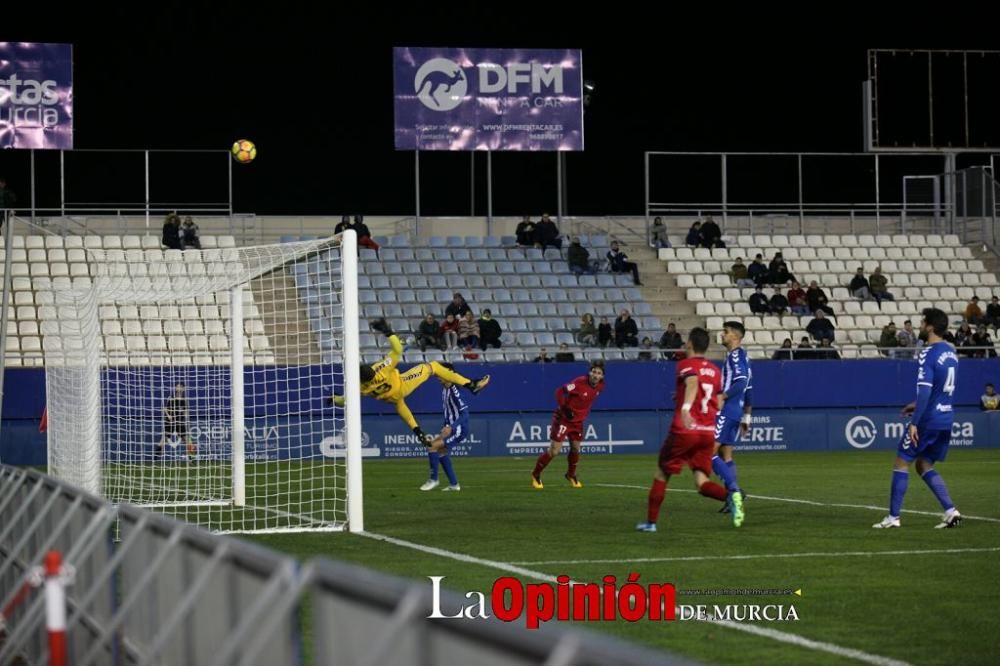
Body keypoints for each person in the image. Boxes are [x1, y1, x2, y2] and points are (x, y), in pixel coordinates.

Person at [329, 319, 489, 443]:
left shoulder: (358, 388)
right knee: (432, 366)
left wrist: (335, 399)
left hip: (392, 399)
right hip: (403, 385)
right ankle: (471, 385)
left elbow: (346, 401)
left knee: (402, 410)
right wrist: (387, 331)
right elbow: (397, 350)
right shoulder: (381, 369)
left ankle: (419, 434)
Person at [873, 308, 961, 530]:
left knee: (902, 461)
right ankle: (951, 511)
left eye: (923, 322)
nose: (920, 326)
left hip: (928, 420)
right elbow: (940, 389)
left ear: (930, 327)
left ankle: (893, 517)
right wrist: (916, 404)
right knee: (923, 464)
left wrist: (914, 423)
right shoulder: (951, 353)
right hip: (946, 417)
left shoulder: (927, 353)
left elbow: (925, 391)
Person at [636, 327, 731, 532]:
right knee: (701, 482)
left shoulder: (686, 364)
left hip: (685, 430)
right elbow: (719, 401)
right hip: (706, 432)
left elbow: (692, 383)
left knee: (662, 473)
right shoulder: (715, 370)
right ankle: (731, 496)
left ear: (689, 344)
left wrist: (686, 408)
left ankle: (651, 523)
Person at [531, 360, 606, 489]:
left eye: (598, 373)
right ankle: (536, 474)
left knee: (576, 449)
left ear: (602, 376)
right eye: (594, 372)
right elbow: (560, 391)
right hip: (564, 419)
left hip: (578, 423)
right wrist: (565, 408)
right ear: (589, 372)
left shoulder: (600, 387)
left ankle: (571, 475)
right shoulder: (579, 382)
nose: (595, 375)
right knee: (554, 451)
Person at [712, 321, 750, 527]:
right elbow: (749, 386)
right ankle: (731, 497)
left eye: (725, 332)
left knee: (708, 452)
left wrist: (723, 396)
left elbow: (742, 382)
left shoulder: (735, 356)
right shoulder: (743, 356)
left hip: (726, 411)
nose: (722, 334)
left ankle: (734, 492)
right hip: (736, 411)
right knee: (726, 455)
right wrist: (747, 415)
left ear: (735, 336)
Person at [420, 363, 471, 492]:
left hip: (458, 429)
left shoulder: (455, 392)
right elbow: (449, 412)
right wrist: (445, 426)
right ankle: (454, 485)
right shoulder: (445, 390)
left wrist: (451, 427)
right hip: (450, 427)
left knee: (432, 446)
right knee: (441, 452)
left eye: (441, 373)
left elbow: (465, 413)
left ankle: (433, 479)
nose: (438, 376)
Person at [157, 382, 196, 459]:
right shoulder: (171, 397)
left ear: (183, 389)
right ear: (175, 388)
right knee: (164, 439)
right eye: (177, 387)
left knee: (186, 439)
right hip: (170, 422)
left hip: (180, 422)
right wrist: (168, 415)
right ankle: (155, 456)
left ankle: (191, 457)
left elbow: (185, 410)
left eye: (180, 387)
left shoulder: (184, 399)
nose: (179, 388)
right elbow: (165, 408)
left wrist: (186, 417)